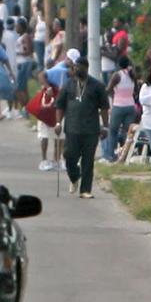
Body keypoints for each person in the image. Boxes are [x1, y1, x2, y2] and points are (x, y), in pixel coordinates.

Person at [52, 57, 110, 199]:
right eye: (75, 67)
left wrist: (105, 126)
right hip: (72, 128)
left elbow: (104, 107)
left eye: (79, 67)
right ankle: (74, 177)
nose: (76, 69)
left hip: (91, 129)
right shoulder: (68, 85)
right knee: (68, 155)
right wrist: (58, 123)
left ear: (86, 67)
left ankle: (85, 190)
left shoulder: (97, 86)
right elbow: (59, 105)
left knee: (88, 160)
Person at [102, 56, 139, 163]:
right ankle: (124, 154)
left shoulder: (117, 75)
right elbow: (136, 90)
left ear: (118, 64)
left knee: (113, 131)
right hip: (130, 106)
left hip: (118, 106)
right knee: (127, 132)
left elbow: (108, 89)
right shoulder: (132, 75)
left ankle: (111, 155)